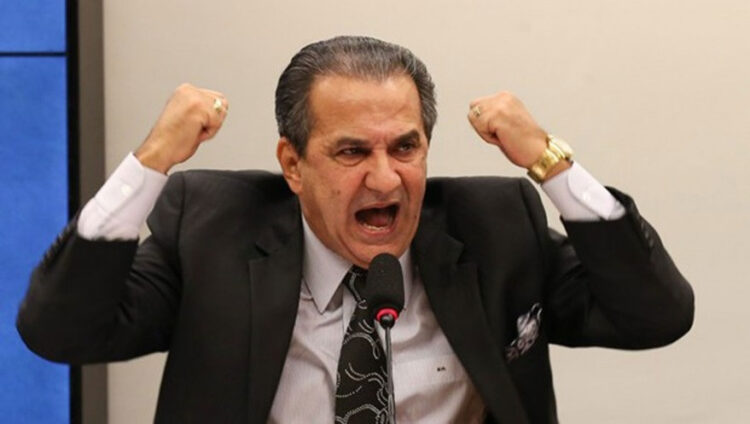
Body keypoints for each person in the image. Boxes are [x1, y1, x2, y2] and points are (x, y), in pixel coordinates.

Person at [17, 36, 694, 423]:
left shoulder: (494, 227)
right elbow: (59, 330)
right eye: (351, 152)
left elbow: (655, 315)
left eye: (405, 147)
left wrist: (550, 162)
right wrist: (151, 162)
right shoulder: (213, 231)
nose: (385, 179)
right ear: (293, 164)